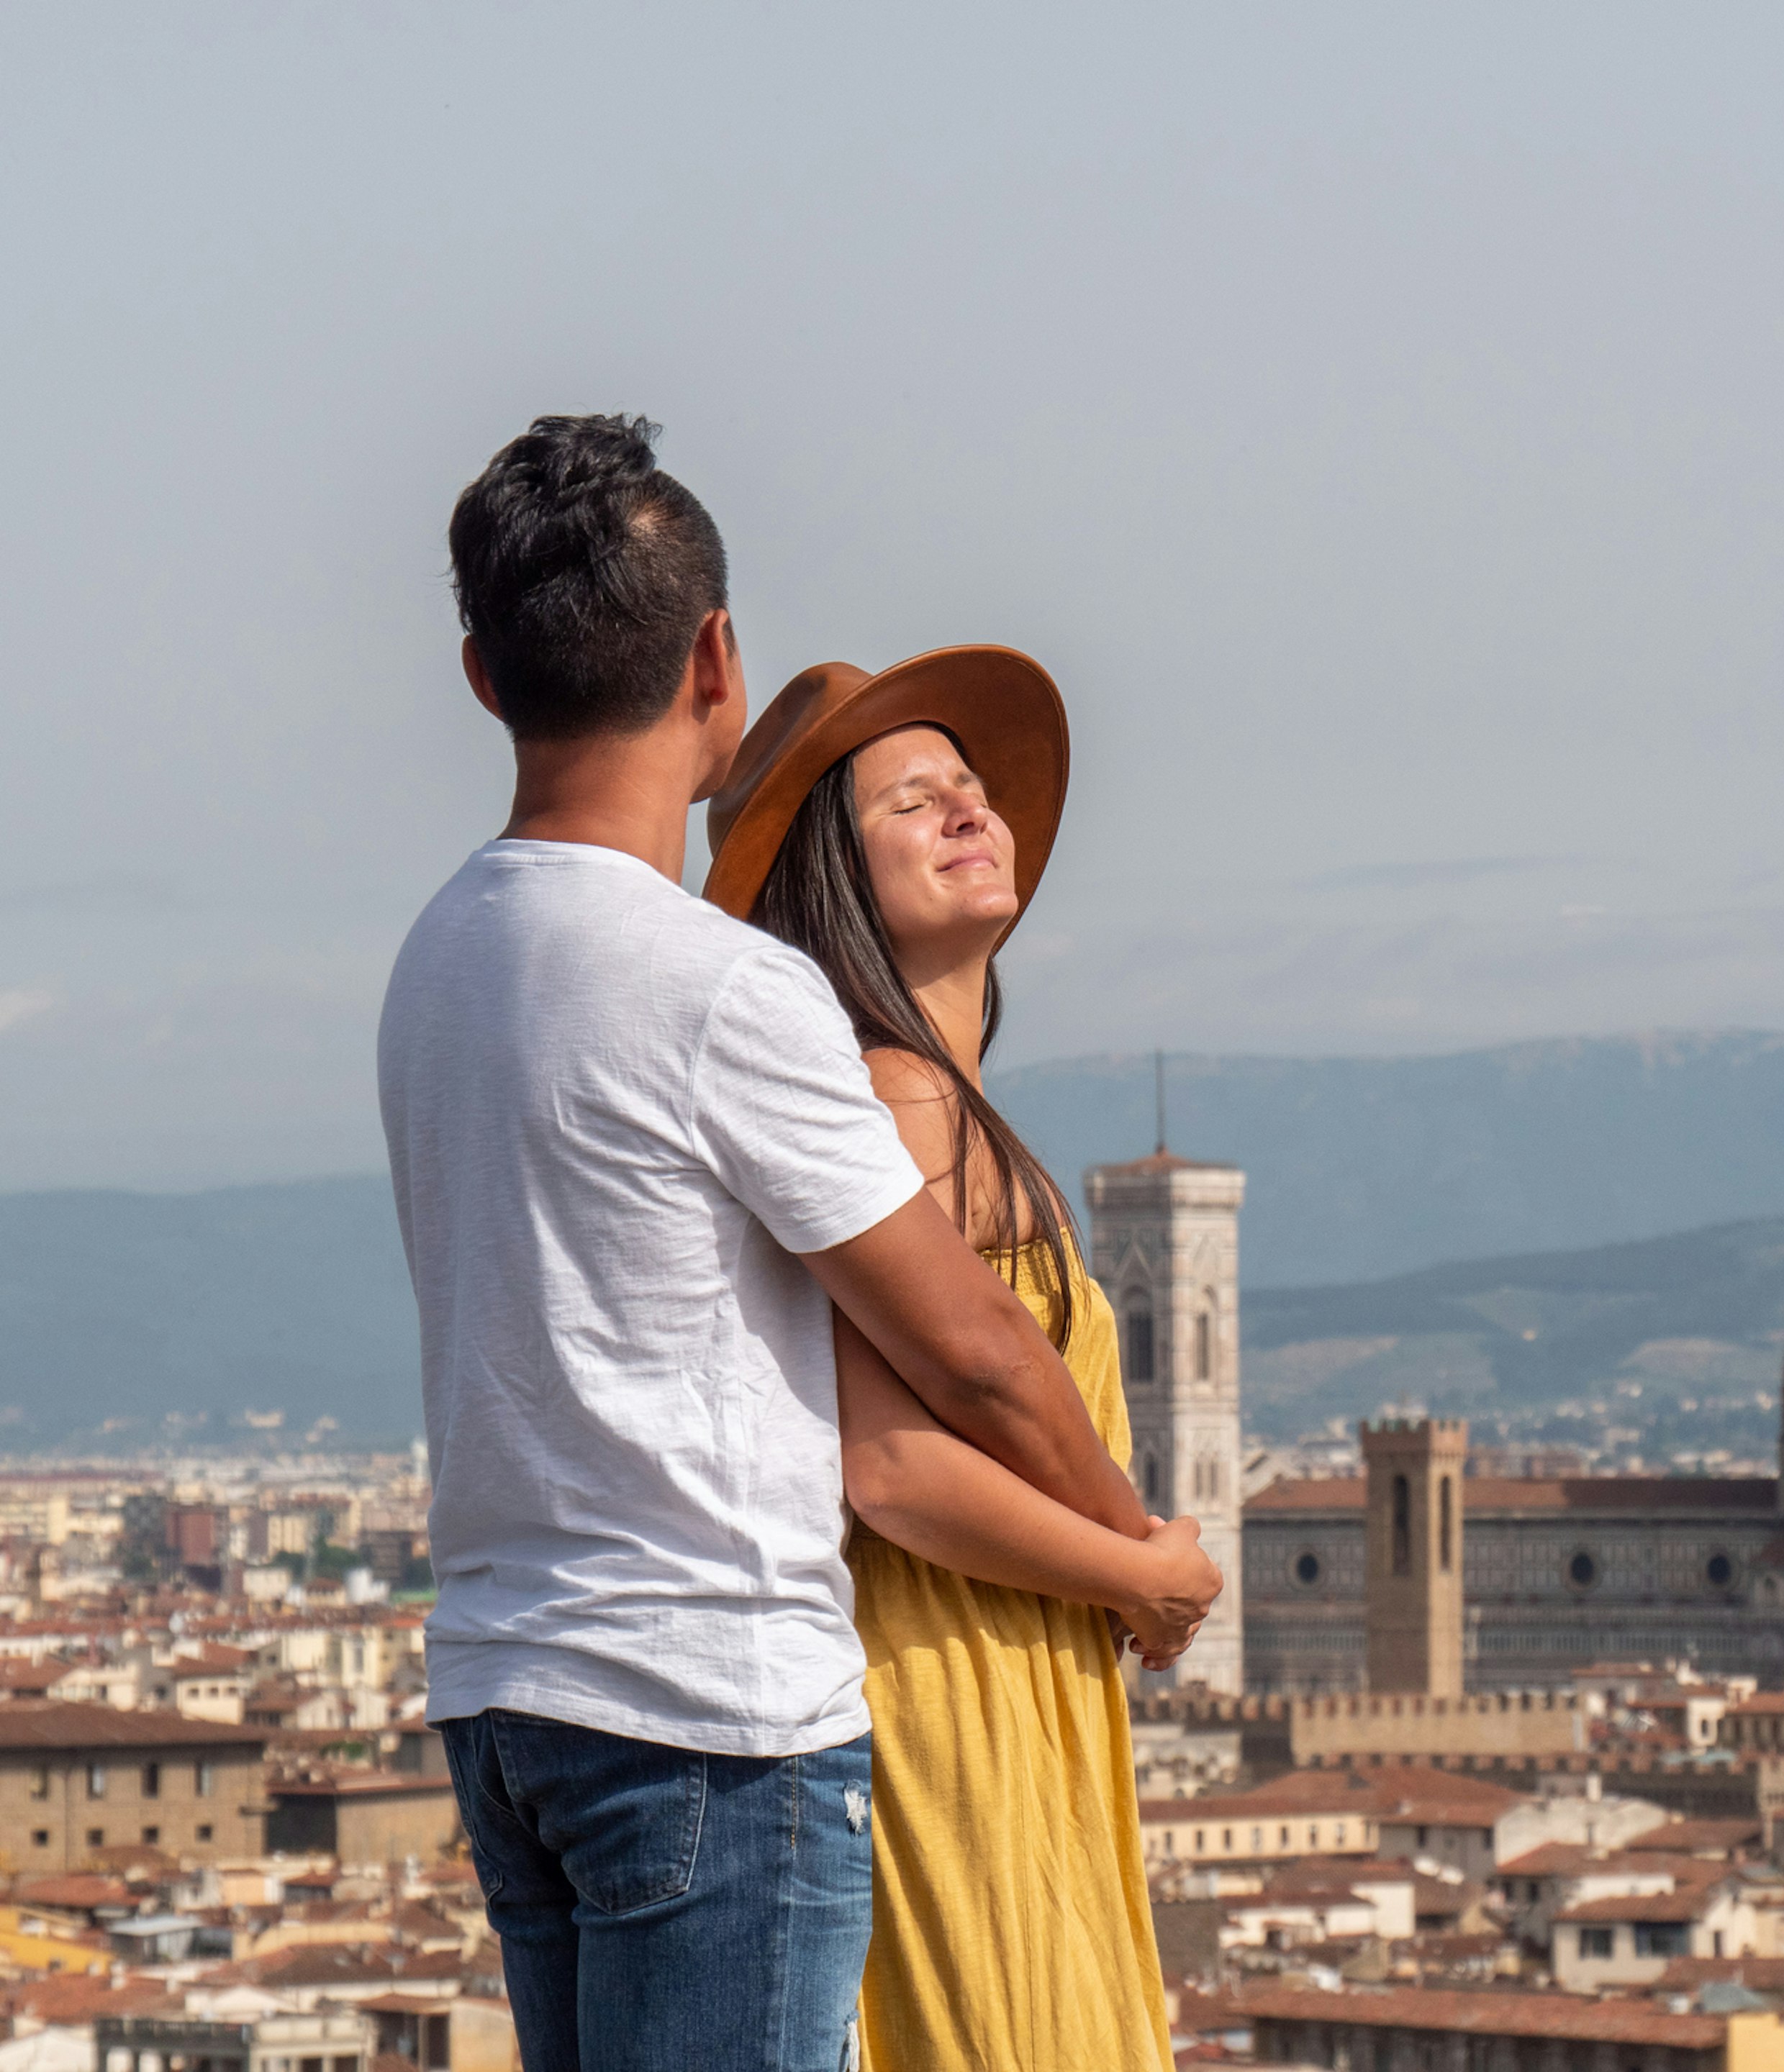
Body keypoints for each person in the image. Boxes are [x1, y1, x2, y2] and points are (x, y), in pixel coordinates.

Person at [379, 414, 1217, 2072]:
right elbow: (966, 1359)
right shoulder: (723, 990)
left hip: (509, 1686)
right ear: (715, 660)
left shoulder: (438, 960)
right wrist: (1147, 1564)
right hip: (712, 1711)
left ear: (482, 674)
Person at [702, 653, 1192, 2071]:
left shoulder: (950, 1104)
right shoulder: (897, 1098)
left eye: (970, 788)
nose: (967, 809)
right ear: (834, 889)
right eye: (910, 803)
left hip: (1015, 1674)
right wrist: (1146, 1575)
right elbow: (896, 1470)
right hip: (953, 1682)